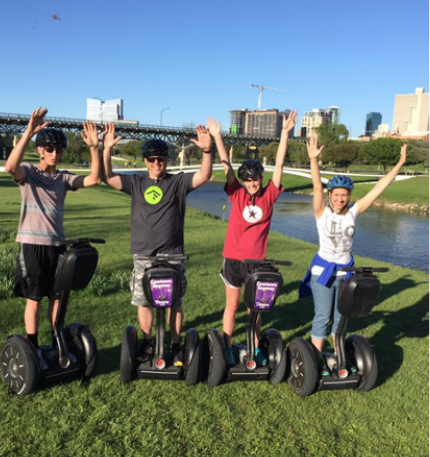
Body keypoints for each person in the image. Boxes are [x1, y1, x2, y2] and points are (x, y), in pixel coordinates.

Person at [102, 122, 213, 362]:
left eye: (160, 159)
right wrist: (107, 150)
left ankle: (174, 345)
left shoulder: (178, 183)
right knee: (144, 301)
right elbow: (108, 177)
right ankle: (148, 343)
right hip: (144, 254)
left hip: (173, 254)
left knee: (175, 301)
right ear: (145, 161)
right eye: (151, 159)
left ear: (166, 160)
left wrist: (207, 151)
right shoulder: (136, 184)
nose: (156, 163)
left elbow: (204, 175)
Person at [300, 136, 407, 373]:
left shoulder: (354, 212)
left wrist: (399, 164)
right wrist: (313, 160)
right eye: (336, 195)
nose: (340, 199)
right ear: (330, 195)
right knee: (322, 316)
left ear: (349, 196)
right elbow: (317, 186)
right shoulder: (321, 212)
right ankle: (315, 361)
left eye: (344, 195)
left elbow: (379, 188)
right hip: (323, 271)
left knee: (341, 318)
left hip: (347, 272)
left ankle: (339, 359)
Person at [5, 107, 101, 369]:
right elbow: (9, 166)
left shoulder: (62, 178)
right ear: (40, 150)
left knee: (57, 298)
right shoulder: (28, 173)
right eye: (50, 149)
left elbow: (94, 178)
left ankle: (55, 343)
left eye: (58, 150)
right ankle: (33, 349)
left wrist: (95, 147)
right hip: (32, 245)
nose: (55, 154)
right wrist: (28, 132)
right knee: (34, 299)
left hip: (58, 246)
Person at [208, 111, 298, 365]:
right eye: (247, 180)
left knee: (254, 309)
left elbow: (279, 166)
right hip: (233, 260)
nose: (251, 184)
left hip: (256, 262)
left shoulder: (270, 196)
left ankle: (255, 347)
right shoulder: (235, 193)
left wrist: (284, 133)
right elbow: (226, 165)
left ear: (261, 179)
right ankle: (226, 347)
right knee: (232, 306)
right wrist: (217, 138)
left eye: (255, 179)